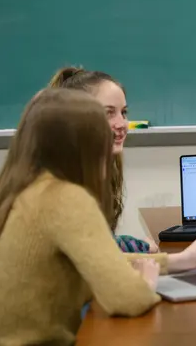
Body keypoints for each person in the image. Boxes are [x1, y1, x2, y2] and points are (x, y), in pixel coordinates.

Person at [0, 88, 196, 345]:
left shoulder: (15, 193)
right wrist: (146, 285)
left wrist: (176, 261)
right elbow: (127, 298)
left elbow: (103, 259)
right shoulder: (64, 198)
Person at [49, 67, 156, 253]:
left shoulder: (99, 169)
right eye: (108, 113)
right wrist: (159, 259)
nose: (122, 124)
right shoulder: (63, 186)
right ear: (76, 119)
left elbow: (102, 243)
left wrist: (149, 250)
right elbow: (94, 260)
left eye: (123, 112)